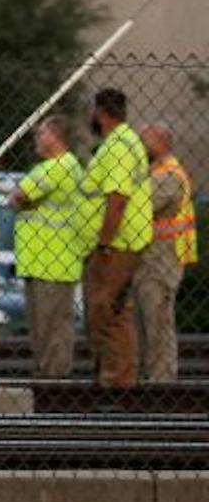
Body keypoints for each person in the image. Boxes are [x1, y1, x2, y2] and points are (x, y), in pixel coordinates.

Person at [83, 87, 154, 390]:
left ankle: (118, 381)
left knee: (106, 309)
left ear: (100, 113)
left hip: (119, 243)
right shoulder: (121, 142)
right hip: (120, 241)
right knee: (112, 309)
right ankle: (115, 376)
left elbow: (117, 198)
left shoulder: (119, 146)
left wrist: (105, 242)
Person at [12, 116, 90, 379]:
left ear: (54, 136)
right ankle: (48, 377)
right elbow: (19, 198)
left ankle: (54, 381)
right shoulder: (52, 167)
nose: (36, 138)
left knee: (53, 327)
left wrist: (23, 200)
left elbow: (19, 196)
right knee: (43, 328)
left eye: (40, 133)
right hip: (42, 260)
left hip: (53, 261)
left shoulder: (60, 166)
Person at [140, 125, 197, 385]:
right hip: (153, 258)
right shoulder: (155, 172)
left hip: (163, 260)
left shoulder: (169, 175)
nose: (141, 143)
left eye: (146, 138)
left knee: (158, 320)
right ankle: (155, 375)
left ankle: (162, 379)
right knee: (151, 320)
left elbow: (140, 205)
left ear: (161, 141)